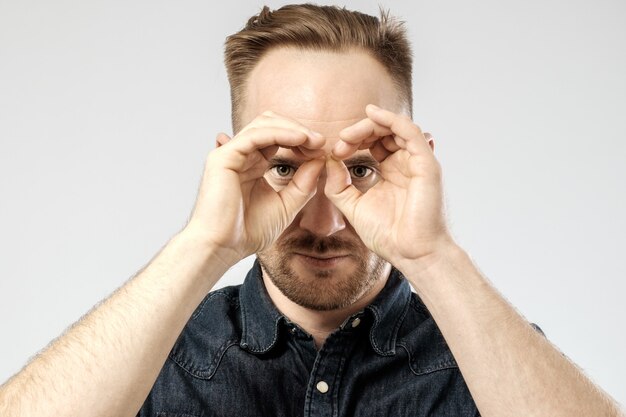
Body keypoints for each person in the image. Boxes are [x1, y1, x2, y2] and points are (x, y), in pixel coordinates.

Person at [0, 4, 623, 417]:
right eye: (284, 167)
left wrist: (432, 254)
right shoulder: (155, 355)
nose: (324, 223)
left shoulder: (490, 356)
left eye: (360, 169)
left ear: (418, 162)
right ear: (231, 164)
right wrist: (203, 243)